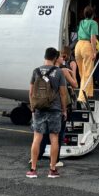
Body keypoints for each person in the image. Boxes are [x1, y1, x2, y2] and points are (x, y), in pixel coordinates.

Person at [28, 47, 69, 178]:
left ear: (45, 56)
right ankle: (52, 169)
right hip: (55, 109)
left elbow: (31, 92)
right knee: (54, 138)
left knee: (37, 138)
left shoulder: (36, 71)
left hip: (39, 108)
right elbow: (63, 94)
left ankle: (33, 169)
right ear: (55, 58)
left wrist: (33, 107)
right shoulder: (58, 72)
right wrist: (64, 109)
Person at [74, 5, 99, 103]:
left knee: (82, 72)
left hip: (78, 46)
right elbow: (93, 38)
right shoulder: (93, 23)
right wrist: (94, 51)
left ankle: (88, 92)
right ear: (93, 14)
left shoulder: (81, 22)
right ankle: (82, 97)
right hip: (87, 46)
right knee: (88, 72)